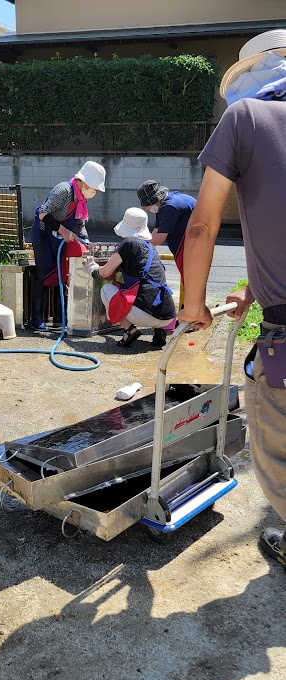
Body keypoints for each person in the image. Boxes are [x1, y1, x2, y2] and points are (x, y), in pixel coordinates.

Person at [178, 29, 286, 571]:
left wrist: (192, 303)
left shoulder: (245, 120)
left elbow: (201, 225)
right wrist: (251, 288)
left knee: (274, 449)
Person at [83, 207, 176, 348]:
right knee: (150, 288)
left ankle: (129, 330)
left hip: (145, 316)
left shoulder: (128, 243)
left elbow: (105, 273)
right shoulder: (150, 247)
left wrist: (92, 269)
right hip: (167, 315)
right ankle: (159, 331)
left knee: (106, 290)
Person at [31, 161, 106, 333]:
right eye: (92, 187)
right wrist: (63, 230)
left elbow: (80, 224)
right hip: (44, 236)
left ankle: (59, 318)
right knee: (43, 274)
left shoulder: (81, 199)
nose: (93, 191)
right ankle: (36, 320)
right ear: (83, 181)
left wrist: (87, 242)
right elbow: (43, 213)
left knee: (62, 274)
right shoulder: (63, 190)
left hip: (61, 239)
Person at [137, 180, 196, 310]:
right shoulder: (164, 204)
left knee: (191, 280)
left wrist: (136, 245)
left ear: (156, 199)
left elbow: (159, 238)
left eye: (147, 205)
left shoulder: (170, 207)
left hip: (190, 245)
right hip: (187, 242)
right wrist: (145, 242)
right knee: (189, 279)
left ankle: (191, 315)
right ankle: (189, 311)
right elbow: (155, 232)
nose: (147, 208)